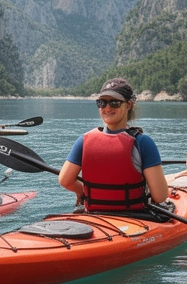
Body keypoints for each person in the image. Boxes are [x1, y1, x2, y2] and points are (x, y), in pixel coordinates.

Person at [59, 78, 168, 212]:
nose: (107, 107)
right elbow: (160, 196)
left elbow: (65, 180)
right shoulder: (143, 143)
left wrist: (83, 192)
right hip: (135, 217)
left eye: (114, 103)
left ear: (129, 105)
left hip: (95, 216)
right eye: (102, 102)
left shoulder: (84, 140)